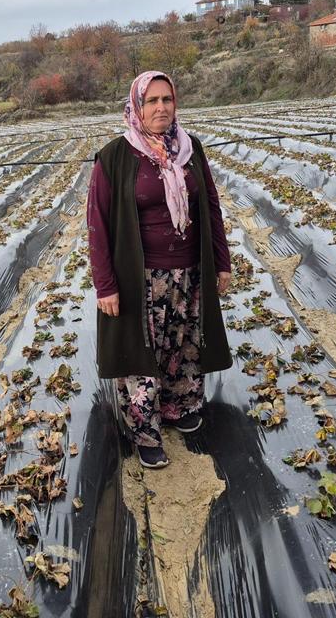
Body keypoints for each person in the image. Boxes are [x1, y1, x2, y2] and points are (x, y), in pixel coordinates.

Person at [87, 70, 233, 469]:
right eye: (151, 101)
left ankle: (180, 408)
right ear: (136, 106)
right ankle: (144, 430)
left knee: (184, 344)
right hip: (140, 277)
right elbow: (97, 225)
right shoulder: (115, 157)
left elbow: (211, 210)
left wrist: (221, 261)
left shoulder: (190, 150)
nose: (161, 108)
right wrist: (106, 286)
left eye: (167, 100)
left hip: (189, 271)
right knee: (142, 355)